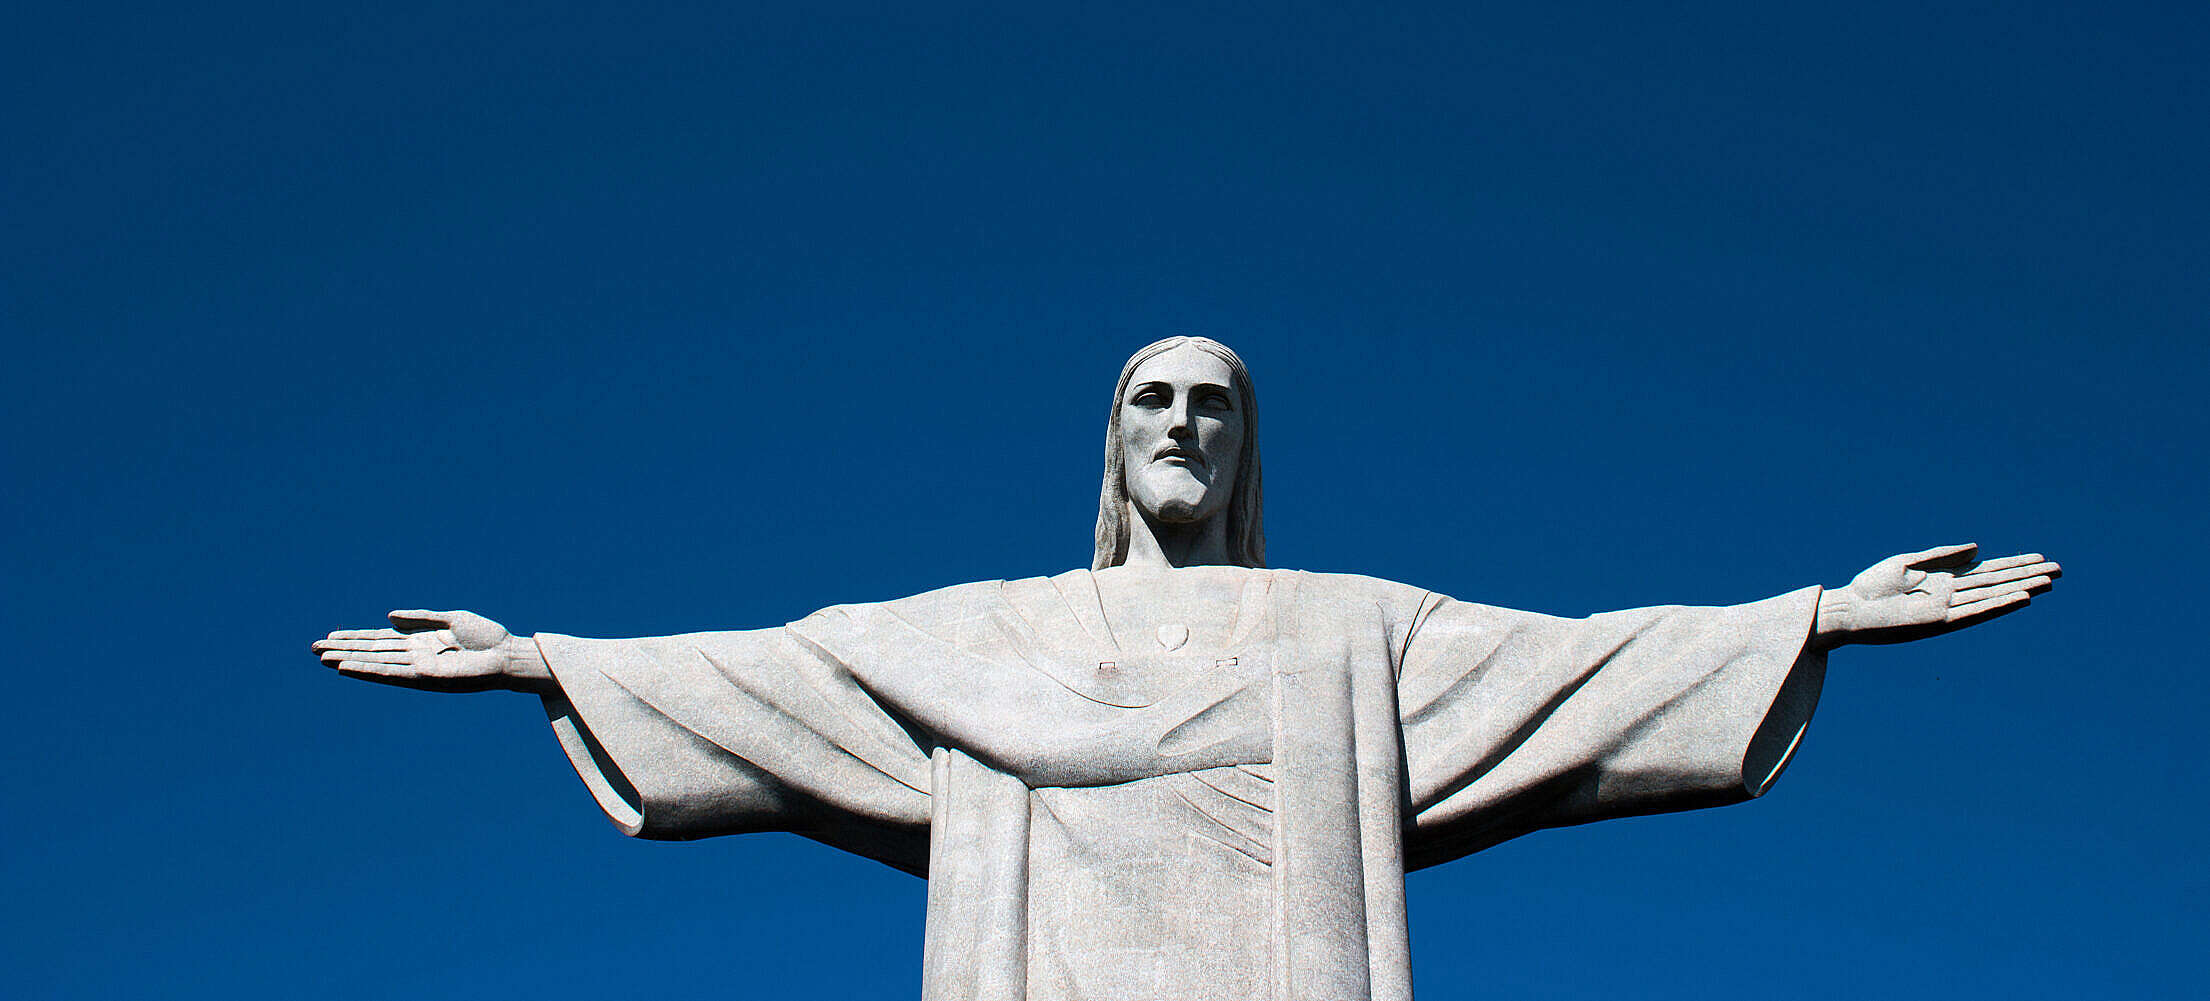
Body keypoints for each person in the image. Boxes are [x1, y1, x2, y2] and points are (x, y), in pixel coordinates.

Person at [315, 336, 2059, 1001]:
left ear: (1244, 448)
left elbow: (1575, 673)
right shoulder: (987, 630)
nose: (1182, 425)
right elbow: (786, 676)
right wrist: (546, 658)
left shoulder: (1345, 625)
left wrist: (1811, 613)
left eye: (1213, 404)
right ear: (1111, 440)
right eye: (1152, 399)